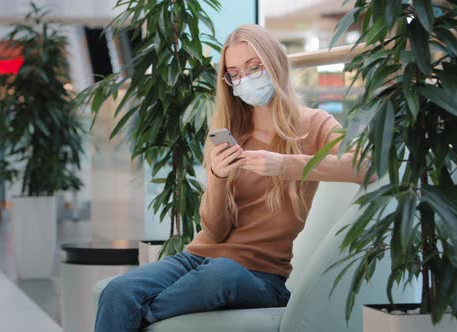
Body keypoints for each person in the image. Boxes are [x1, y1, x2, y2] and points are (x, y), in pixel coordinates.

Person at [95, 24, 375, 332]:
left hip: (259, 277)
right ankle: (139, 314)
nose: (245, 78)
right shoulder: (232, 134)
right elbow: (214, 232)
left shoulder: (315, 124)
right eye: (235, 73)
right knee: (116, 292)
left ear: (275, 64)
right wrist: (217, 176)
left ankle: (141, 316)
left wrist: (284, 165)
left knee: (221, 275)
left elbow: (365, 166)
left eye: (254, 67)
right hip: (197, 259)